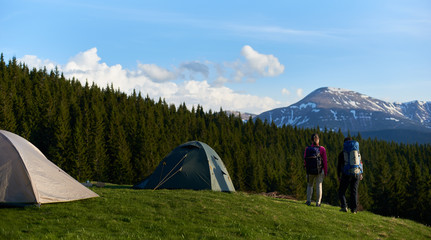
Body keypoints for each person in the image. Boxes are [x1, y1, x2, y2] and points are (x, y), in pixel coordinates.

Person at [338, 137, 363, 214]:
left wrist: (338, 175)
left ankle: (344, 206)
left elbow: (339, 166)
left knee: (341, 191)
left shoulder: (342, 154)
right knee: (354, 192)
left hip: (346, 174)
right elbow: (360, 163)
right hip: (357, 173)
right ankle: (354, 210)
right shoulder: (357, 152)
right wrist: (361, 173)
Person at [304, 133, 327, 207]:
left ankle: (308, 201)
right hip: (319, 170)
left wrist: (306, 168)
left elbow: (305, 160)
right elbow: (325, 161)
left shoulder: (307, 149)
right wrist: (325, 171)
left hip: (310, 170)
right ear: (318, 140)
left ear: (311, 140)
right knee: (319, 186)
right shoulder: (322, 149)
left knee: (310, 185)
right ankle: (318, 203)